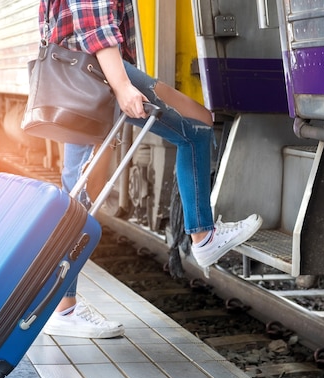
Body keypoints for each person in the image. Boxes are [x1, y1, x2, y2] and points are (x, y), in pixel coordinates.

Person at [40, 0, 263, 338]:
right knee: (193, 134)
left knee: (77, 191)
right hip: (96, 70)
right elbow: (95, 24)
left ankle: (63, 308)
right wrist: (122, 86)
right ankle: (203, 237)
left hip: (80, 72)